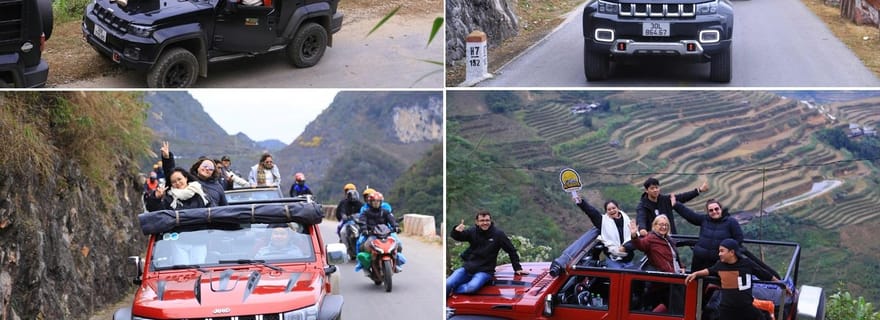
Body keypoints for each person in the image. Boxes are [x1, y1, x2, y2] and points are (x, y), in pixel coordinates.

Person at [685, 239, 791, 320]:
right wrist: (695, 274)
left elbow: (765, 274)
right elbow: (708, 271)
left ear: (732, 252)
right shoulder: (720, 265)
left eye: (722, 251)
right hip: (727, 309)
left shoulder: (747, 264)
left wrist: (782, 285)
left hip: (746, 307)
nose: (719, 254)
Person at [447, 210, 528, 296]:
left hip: (485, 271)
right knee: (447, 284)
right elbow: (459, 237)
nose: (485, 223)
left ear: (490, 221)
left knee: (471, 287)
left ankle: (454, 292)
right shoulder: (473, 231)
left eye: (487, 220)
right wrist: (456, 231)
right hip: (468, 268)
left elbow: (511, 250)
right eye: (482, 221)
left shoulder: (498, 234)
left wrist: (517, 268)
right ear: (477, 222)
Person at [672, 195, 744, 272]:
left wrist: (727, 253)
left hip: (717, 262)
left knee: (712, 283)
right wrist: (676, 205)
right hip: (698, 260)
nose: (714, 212)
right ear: (708, 212)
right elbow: (690, 215)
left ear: (721, 209)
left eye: (716, 209)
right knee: (695, 281)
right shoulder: (705, 219)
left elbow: (738, 239)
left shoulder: (731, 222)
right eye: (711, 210)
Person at [159, 141, 227, 207]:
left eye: (210, 168)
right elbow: (172, 174)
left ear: (213, 172)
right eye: (205, 166)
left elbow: (224, 208)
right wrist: (167, 158)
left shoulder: (218, 187)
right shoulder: (190, 181)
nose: (207, 169)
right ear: (198, 167)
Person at [636, 178, 709, 236]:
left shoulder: (665, 200)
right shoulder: (643, 206)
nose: (655, 190)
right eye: (652, 188)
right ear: (646, 190)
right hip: (654, 240)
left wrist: (699, 190)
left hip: (670, 237)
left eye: (656, 187)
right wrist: (642, 229)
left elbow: (682, 197)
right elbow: (641, 218)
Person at [355, 192, 405, 272]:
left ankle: (397, 264)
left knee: (398, 244)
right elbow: (362, 221)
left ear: (381, 202)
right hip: (371, 234)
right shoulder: (365, 212)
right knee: (361, 245)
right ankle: (364, 266)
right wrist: (364, 229)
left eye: (378, 201)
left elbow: (392, 220)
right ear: (370, 202)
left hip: (385, 234)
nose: (376, 203)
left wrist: (396, 227)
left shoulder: (385, 211)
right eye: (374, 201)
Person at [599, 200, 639, 269]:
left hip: (628, 260)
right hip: (612, 260)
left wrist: (625, 247)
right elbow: (591, 212)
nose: (612, 210)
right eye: (609, 209)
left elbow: (636, 242)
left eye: (614, 208)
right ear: (606, 211)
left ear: (618, 208)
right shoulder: (604, 222)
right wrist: (580, 202)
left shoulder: (627, 220)